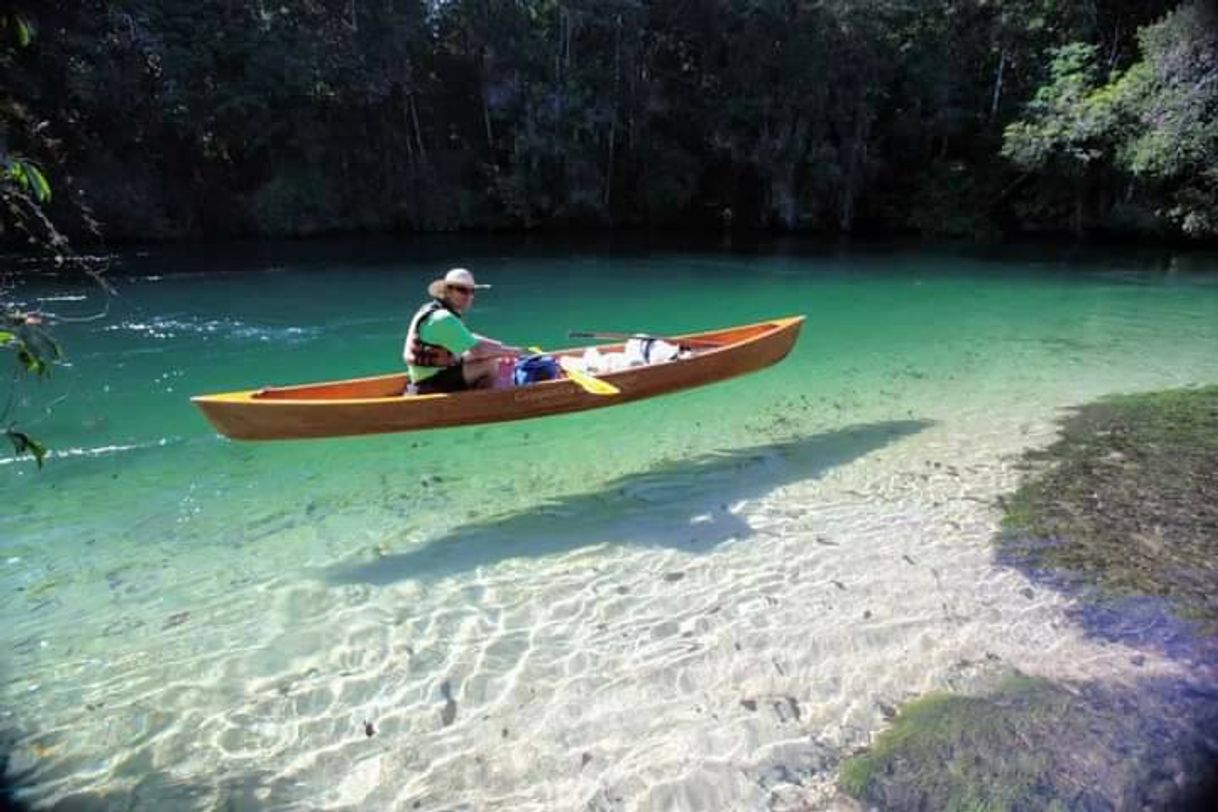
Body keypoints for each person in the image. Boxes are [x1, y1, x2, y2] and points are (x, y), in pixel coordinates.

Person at [403, 268, 521, 394]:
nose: (469, 296)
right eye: (462, 290)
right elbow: (478, 351)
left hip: (423, 378)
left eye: (472, 291)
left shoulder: (430, 310)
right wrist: (510, 352)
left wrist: (501, 348)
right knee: (490, 364)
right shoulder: (444, 318)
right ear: (447, 291)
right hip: (428, 384)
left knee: (488, 356)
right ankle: (481, 404)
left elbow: (470, 339)